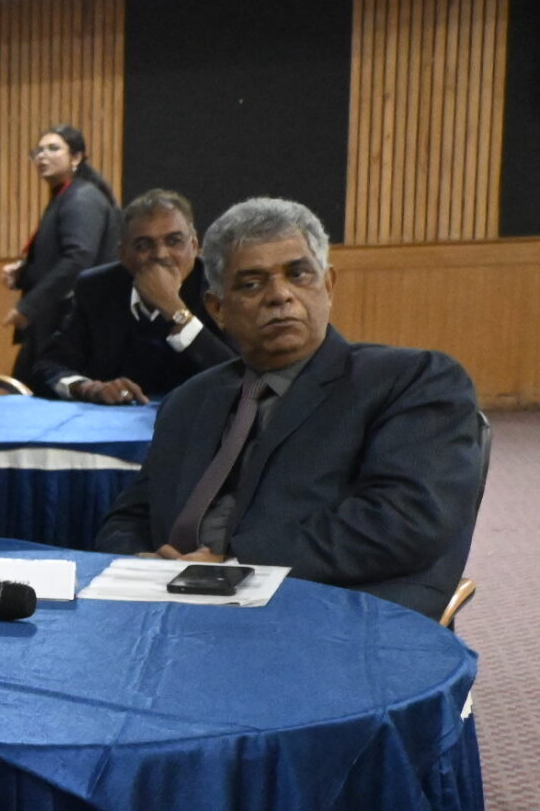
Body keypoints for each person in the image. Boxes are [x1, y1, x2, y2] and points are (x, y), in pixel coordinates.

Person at [96, 198, 483, 620]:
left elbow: (405, 520)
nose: (280, 295)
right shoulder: (189, 399)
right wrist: (140, 563)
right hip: (173, 610)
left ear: (328, 284)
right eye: (251, 284)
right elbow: (130, 516)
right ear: (217, 308)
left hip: (325, 614)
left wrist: (235, 566)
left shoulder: (410, 380)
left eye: (299, 275)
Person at [32, 190, 232, 404]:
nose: (160, 254)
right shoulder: (96, 288)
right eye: (143, 245)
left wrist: (176, 312)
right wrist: (88, 388)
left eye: (174, 241)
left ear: (194, 246)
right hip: (116, 420)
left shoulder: (223, 290)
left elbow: (241, 376)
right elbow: (47, 367)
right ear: (123, 254)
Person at [4, 124, 120, 386]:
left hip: (70, 326)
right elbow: (57, 257)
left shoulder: (81, 198)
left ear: (76, 157)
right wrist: (23, 273)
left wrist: (28, 307)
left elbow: (78, 258)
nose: (42, 156)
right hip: (56, 321)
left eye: (53, 148)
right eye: (38, 151)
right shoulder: (67, 196)